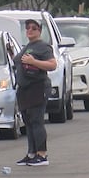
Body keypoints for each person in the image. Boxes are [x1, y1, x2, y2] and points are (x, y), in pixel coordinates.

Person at [14, 18, 56, 166]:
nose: (30, 30)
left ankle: (42, 154)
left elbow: (52, 65)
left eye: (33, 28)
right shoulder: (27, 47)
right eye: (27, 28)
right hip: (24, 89)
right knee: (28, 122)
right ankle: (32, 153)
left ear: (39, 30)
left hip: (38, 87)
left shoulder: (43, 46)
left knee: (37, 121)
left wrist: (34, 62)